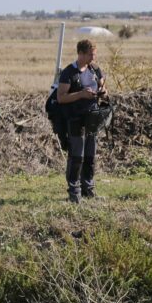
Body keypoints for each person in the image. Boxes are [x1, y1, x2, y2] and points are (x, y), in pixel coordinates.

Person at [57, 39, 107, 202]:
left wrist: (103, 92)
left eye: (94, 54)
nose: (93, 58)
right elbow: (61, 98)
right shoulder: (68, 72)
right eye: (90, 55)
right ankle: (74, 191)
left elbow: (102, 87)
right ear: (81, 54)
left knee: (90, 155)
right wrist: (80, 95)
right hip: (75, 118)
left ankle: (88, 189)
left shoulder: (95, 69)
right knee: (77, 155)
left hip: (92, 118)